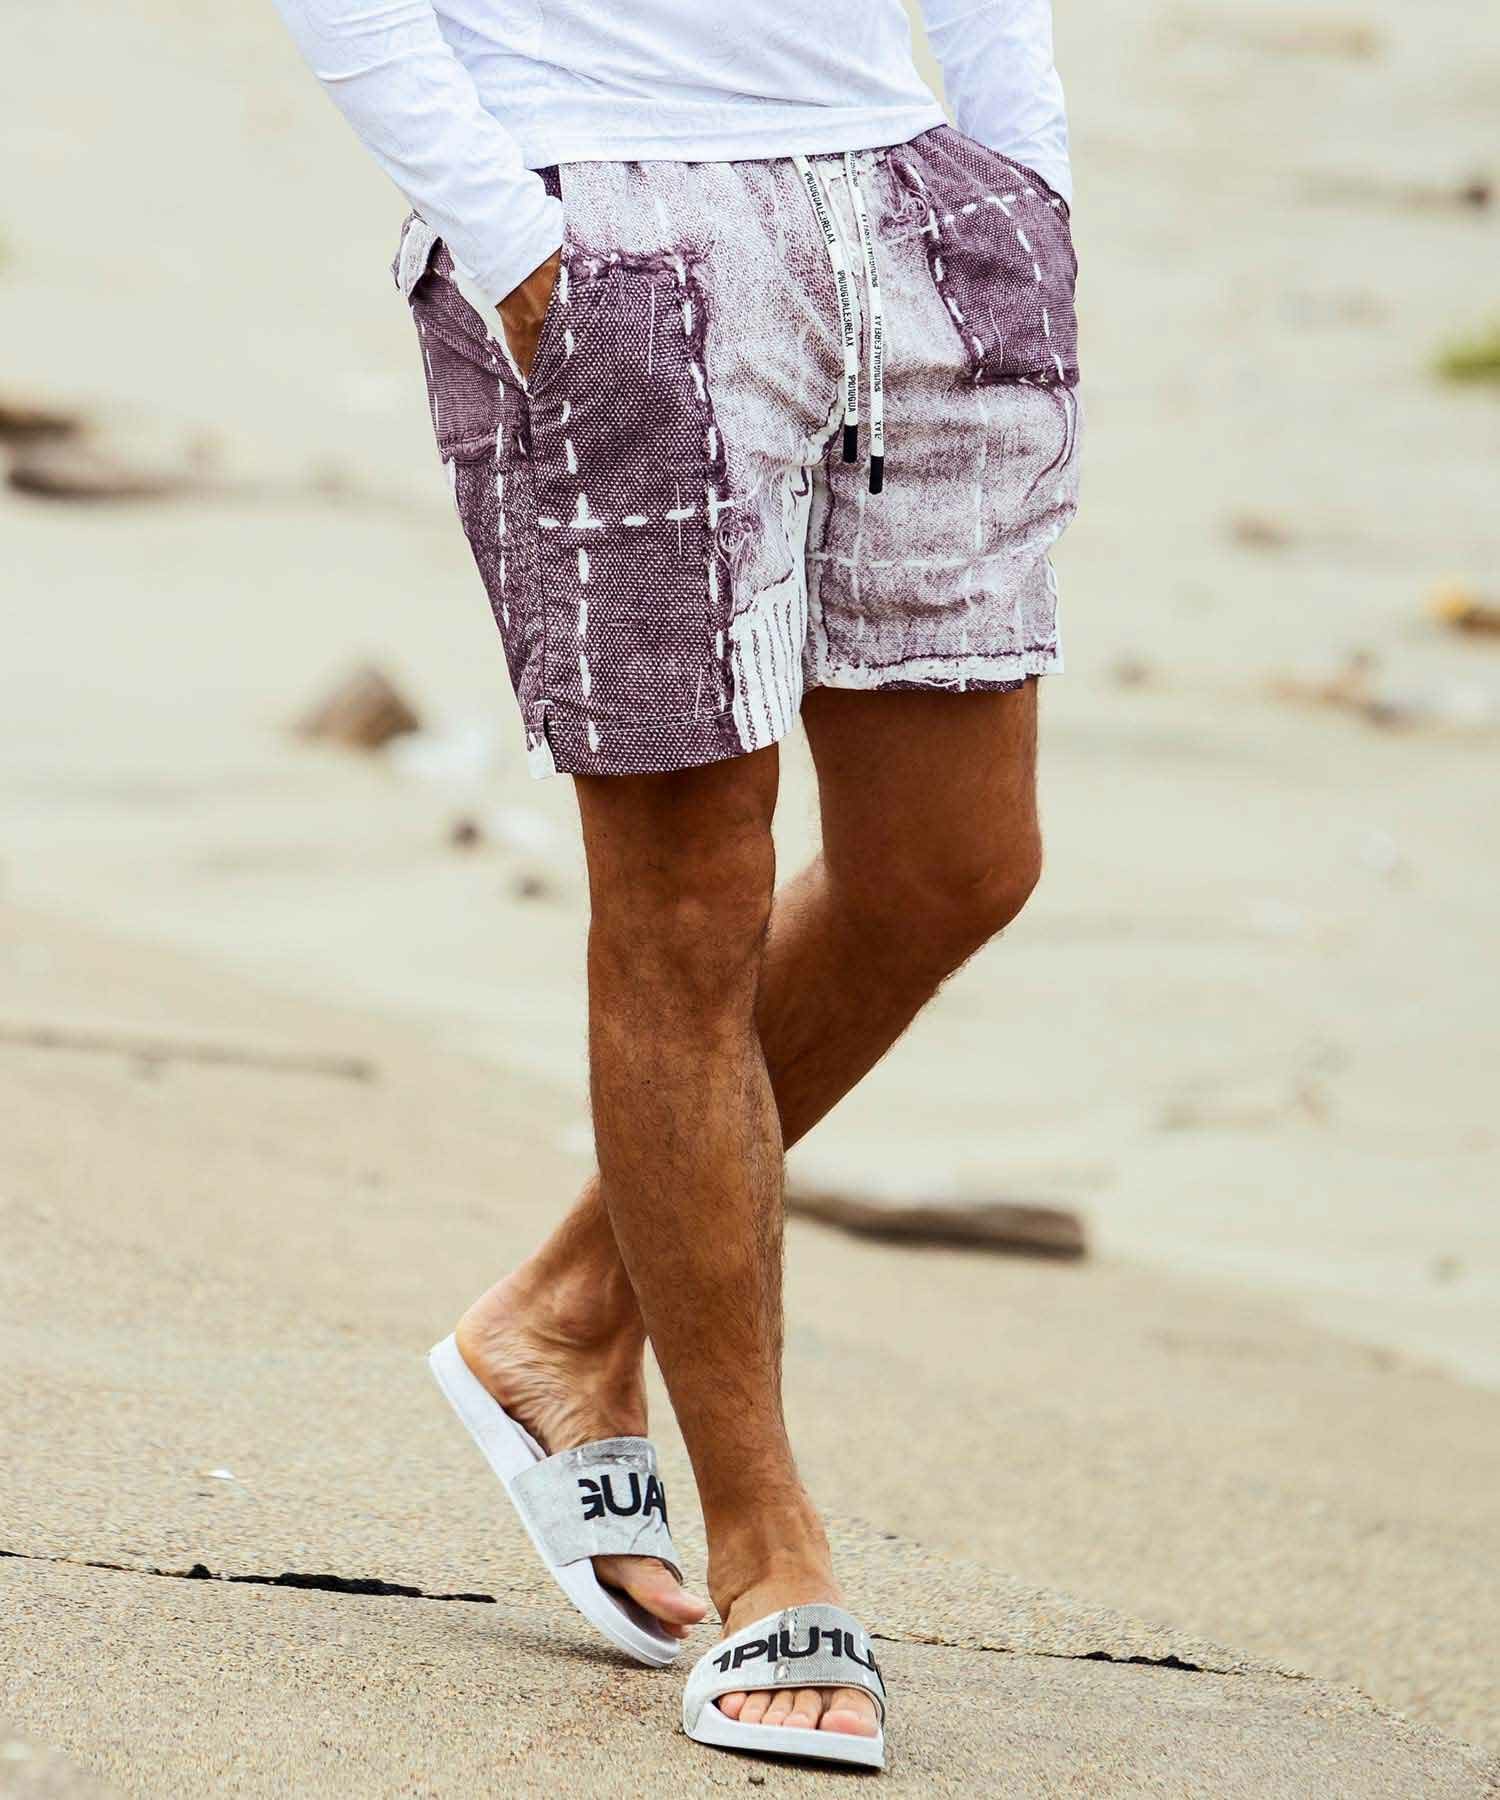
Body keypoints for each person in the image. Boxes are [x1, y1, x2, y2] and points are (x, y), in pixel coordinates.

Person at [271, 0, 1079, 1769]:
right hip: (608, 214)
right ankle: (768, 1550)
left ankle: (565, 1317)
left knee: (954, 865)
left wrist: (1027, 176)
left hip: (919, 218)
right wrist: (506, 231)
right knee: (684, 907)